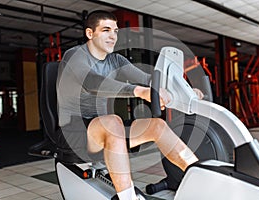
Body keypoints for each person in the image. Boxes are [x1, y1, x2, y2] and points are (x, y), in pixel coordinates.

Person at [57, 10, 202, 200]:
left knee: (157, 126)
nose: (113, 36)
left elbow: (149, 79)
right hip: (73, 132)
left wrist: (185, 91)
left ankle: (202, 176)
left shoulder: (116, 60)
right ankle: (127, 197)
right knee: (113, 122)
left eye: (116, 31)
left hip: (103, 127)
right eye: (106, 30)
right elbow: (93, 83)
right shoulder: (74, 55)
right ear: (90, 34)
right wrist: (138, 91)